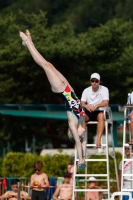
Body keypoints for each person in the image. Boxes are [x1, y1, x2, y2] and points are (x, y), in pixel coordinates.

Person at [19, 30, 86, 171]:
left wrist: (80, 160)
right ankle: (28, 43)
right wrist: (84, 158)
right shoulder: (82, 122)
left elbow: (79, 144)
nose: (83, 136)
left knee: (45, 66)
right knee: (48, 63)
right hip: (69, 87)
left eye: (80, 136)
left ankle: (29, 42)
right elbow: (83, 142)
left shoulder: (73, 124)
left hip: (60, 90)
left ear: (74, 135)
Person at [81, 73, 109, 148]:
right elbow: (82, 102)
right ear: (90, 81)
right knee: (82, 116)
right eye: (92, 81)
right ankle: (82, 139)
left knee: (101, 116)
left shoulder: (104, 89)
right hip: (89, 112)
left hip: (99, 112)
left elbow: (106, 103)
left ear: (99, 82)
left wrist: (96, 105)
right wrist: (87, 106)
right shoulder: (86, 90)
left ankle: (98, 139)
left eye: (96, 81)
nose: (94, 83)